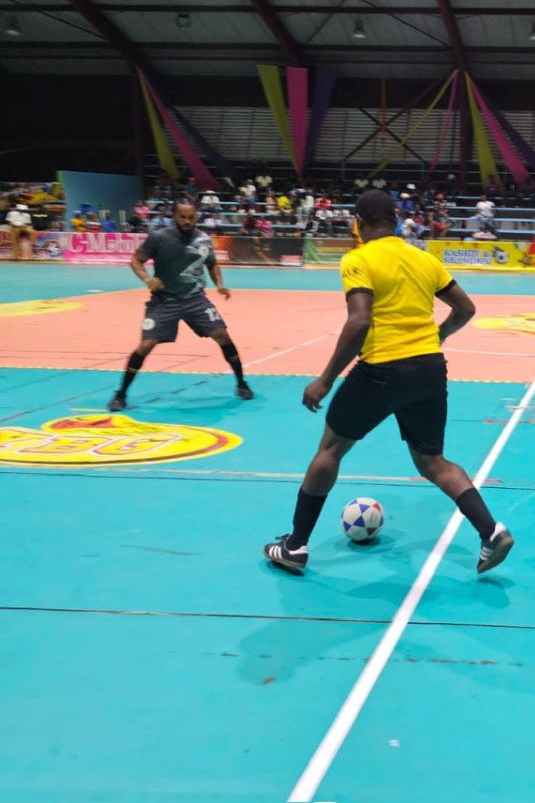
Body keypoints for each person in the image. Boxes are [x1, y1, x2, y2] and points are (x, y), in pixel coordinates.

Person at [263, 190, 514, 576]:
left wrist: (326, 379)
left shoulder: (359, 258)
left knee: (330, 450)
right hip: (430, 367)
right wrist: (440, 335)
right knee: (433, 461)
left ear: (359, 223)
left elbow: (359, 321)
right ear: (396, 221)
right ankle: (491, 531)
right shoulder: (423, 258)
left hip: (382, 369)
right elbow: (466, 309)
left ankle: (295, 546)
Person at [108, 200, 253, 411]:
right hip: (164, 300)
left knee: (222, 335)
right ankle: (120, 394)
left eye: (191, 217)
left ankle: (242, 383)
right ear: (174, 216)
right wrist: (147, 279)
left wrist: (220, 285)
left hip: (195, 299)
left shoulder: (204, 239)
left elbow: (211, 264)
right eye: (182, 216)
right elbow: (136, 260)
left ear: (197, 216)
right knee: (145, 346)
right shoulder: (159, 238)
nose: (187, 221)